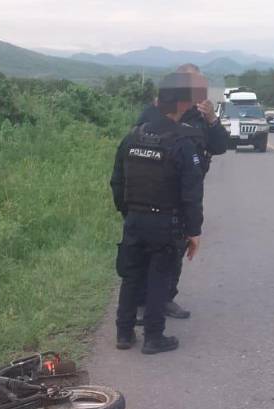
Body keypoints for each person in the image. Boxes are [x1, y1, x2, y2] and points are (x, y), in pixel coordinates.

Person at [110, 70, 205, 354]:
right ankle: (154, 337)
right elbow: (191, 192)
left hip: (135, 220)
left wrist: (128, 213)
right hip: (165, 222)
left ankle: (124, 334)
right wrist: (194, 230)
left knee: (131, 276)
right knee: (159, 278)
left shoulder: (132, 137)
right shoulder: (182, 142)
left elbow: (117, 181)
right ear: (183, 104)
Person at [133, 64, 227, 322]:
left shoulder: (202, 114)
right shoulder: (156, 109)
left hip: (186, 189)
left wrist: (212, 119)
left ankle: (165, 299)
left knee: (177, 247)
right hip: (153, 188)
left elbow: (220, 146)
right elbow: (135, 138)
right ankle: (143, 301)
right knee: (146, 249)